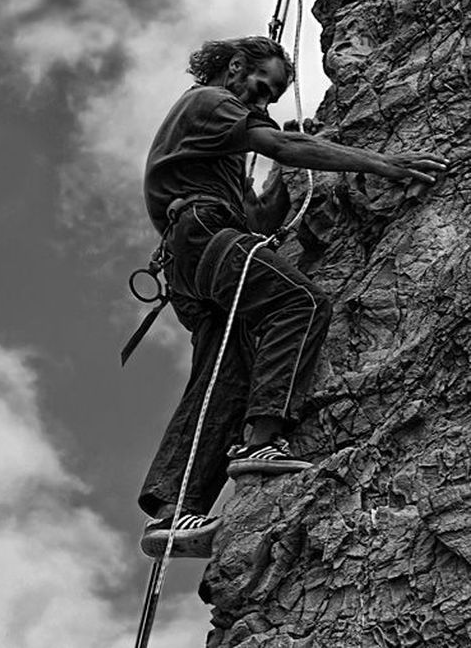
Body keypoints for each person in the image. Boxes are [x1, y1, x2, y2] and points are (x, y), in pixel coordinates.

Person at [138, 35, 448, 559]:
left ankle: (175, 511)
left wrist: (282, 179)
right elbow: (282, 144)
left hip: (192, 257)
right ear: (235, 67)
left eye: (274, 96)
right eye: (263, 87)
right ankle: (262, 440)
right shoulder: (210, 101)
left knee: (226, 378)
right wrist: (384, 163)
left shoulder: (217, 150)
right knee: (301, 304)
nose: (265, 103)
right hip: (203, 239)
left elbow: (257, 218)